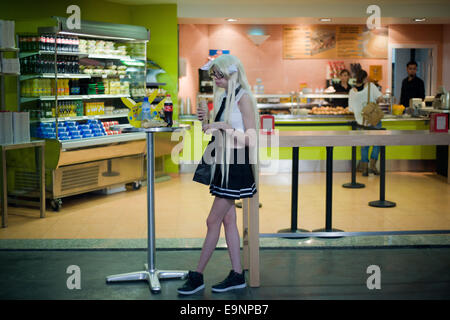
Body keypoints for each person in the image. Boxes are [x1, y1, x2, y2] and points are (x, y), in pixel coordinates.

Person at [177, 54, 259, 295]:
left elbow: (250, 139)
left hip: (236, 165)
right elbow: (218, 132)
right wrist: (208, 124)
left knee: (212, 220)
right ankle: (237, 275)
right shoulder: (225, 97)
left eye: (218, 75)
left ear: (232, 73)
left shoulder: (243, 97)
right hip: (223, 163)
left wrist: (225, 127)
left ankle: (198, 275)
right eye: (213, 75)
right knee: (228, 221)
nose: (215, 80)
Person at [348, 69, 385, 176]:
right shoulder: (371, 86)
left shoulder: (351, 92)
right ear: (365, 78)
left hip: (360, 122)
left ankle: (364, 169)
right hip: (373, 120)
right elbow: (380, 99)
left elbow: (351, 109)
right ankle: (373, 166)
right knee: (377, 143)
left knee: (364, 145)